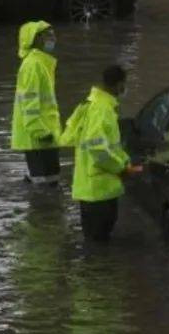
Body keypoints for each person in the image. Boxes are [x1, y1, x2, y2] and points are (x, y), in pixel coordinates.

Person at [59, 65, 142, 242]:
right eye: (124, 84)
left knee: (93, 242)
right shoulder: (103, 109)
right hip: (100, 190)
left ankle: (94, 268)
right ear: (119, 84)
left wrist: (124, 161)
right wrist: (121, 169)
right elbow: (96, 146)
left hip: (90, 189)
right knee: (99, 240)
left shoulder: (90, 104)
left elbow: (69, 137)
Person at [10, 20, 61, 185]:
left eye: (53, 34)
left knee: (50, 183)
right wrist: (39, 131)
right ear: (35, 39)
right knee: (44, 186)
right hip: (39, 137)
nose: (52, 38)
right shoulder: (33, 65)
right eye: (47, 35)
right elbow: (29, 103)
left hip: (46, 135)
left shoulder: (42, 63)